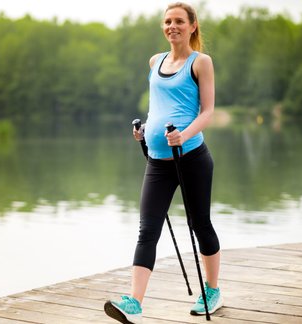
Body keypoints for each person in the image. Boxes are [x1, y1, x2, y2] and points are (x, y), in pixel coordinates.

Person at [104, 2, 223, 323]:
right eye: (168, 21)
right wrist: (145, 129)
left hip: (192, 157)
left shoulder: (201, 62)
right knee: (147, 230)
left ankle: (212, 290)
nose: (173, 26)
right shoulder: (155, 61)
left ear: (192, 26)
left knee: (201, 225)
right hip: (157, 160)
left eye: (179, 21)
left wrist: (184, 135)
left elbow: (208, 111)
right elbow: (159, 106)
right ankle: (135, 303)